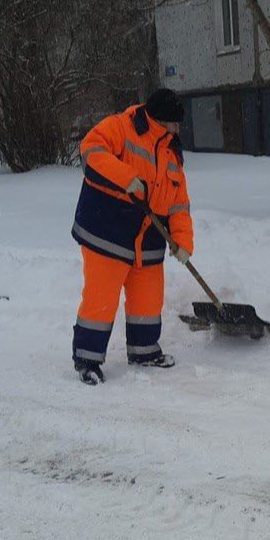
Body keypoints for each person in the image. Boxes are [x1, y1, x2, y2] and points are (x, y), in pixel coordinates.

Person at [70, 88, 193, 385]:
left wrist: (182, 241)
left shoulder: (171, 152)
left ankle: (144, 351)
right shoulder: (122, 127)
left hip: (149, 237)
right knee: (101, 298)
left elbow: (178, 203)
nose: (177, 129)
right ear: (160, 120)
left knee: (148, 299)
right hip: (108, 230)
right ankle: (87, 359)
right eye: (174, 123)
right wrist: (127, 179)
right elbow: (91, 149)